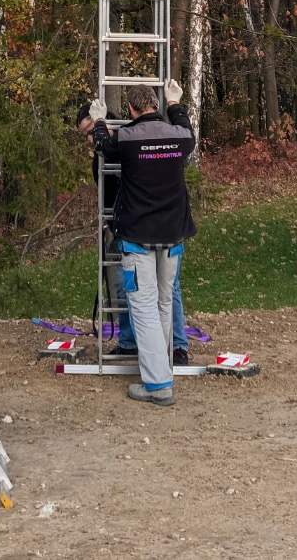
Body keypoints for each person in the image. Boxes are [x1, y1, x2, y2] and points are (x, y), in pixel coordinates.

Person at [82, 80, 195, 405]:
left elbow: (103, 145)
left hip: (138, 239)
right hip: (173, 235)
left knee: (143, 306)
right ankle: (162, 370)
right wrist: (175, 102)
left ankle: (158, 385)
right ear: (156, 106)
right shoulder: (178, 136)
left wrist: (100, 119)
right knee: (162, 302)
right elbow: (186, 127)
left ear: (131, 110)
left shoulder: (128, 138)